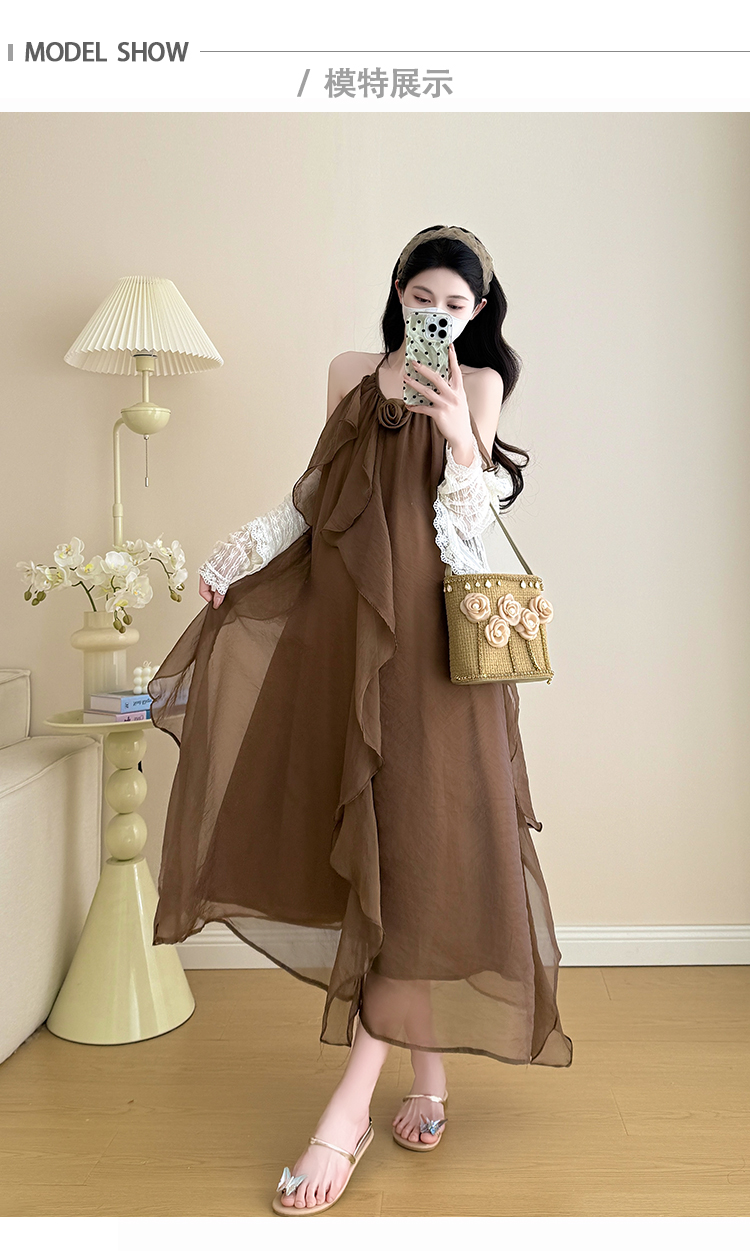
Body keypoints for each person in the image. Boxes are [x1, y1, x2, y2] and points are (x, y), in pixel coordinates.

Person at [147, 224, 573, 1216]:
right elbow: (312, 499)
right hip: (342, 635)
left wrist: (460, 433)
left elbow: (465, 530)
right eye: (423, 299)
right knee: (375, 853)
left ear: (477, 313)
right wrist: (238, 556)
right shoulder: (348, 371)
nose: (438, 317)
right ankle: (429, 1078)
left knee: (416, 854)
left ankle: (347, 1112)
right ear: (397, 291)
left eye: (456, 306)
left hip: (425, 652)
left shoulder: (478, 385)